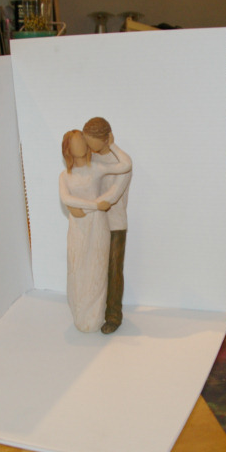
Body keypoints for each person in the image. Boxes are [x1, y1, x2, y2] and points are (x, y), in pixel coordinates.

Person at [59, 129, 132, 333]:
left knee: (97, 269)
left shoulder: (97, 168)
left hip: (98, 224)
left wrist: (112, 144)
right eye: (76, 142)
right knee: (78, 267)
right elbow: (66, 198)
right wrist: (93, 205)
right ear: (68, 148)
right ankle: (80, 314)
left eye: (83, 141)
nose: (81, 145)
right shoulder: (65, 176)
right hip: (79, 226)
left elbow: (126, 165)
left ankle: (96, 316)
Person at [82, 117, 132, 334]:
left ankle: (113, 315)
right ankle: (93, 311)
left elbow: (113, 194)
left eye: (91, 141)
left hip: (114, 224)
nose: (88, 146)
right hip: (93, 221)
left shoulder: (120, 161)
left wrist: (90, 205)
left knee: (113, 270)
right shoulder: (89, 157)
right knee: (94, 267)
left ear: (106, 138)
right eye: (86, 141)